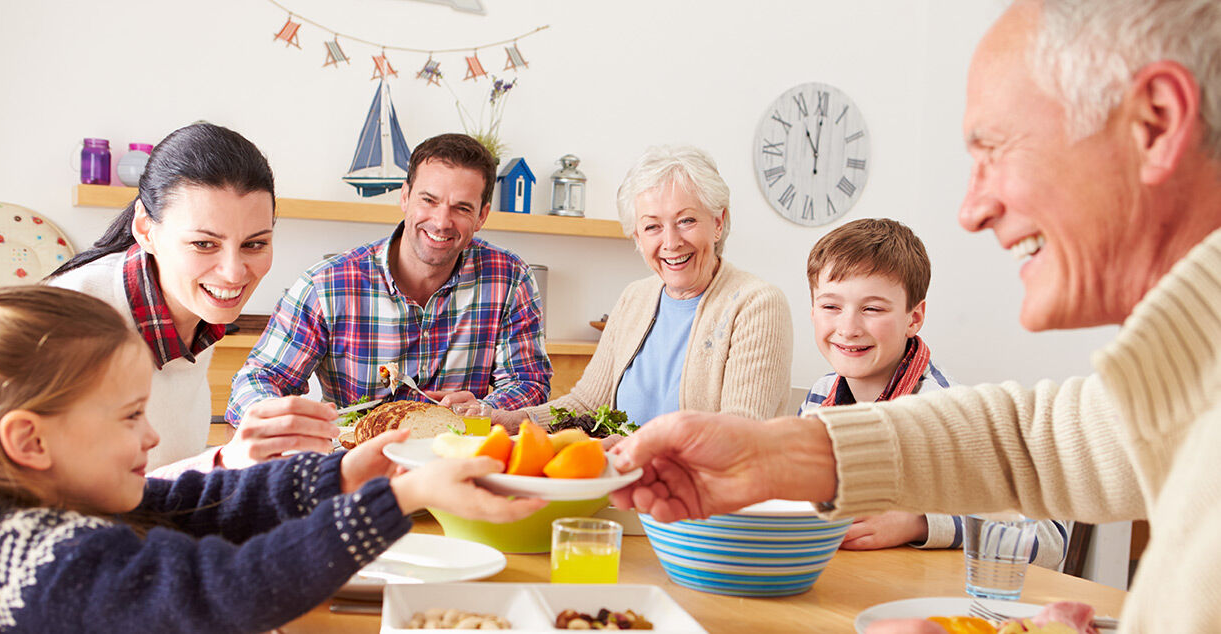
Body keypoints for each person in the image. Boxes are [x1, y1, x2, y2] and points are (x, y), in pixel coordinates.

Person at [609, 0, 1221, 630]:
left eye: (996, 150)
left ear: (1156, 122)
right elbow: (1032, 444)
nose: (971, 209)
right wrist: (773, 455)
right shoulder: (1192, 375)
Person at [0, 285, 544, 633]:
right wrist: (399, 498)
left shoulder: (49, 508)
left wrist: (341, 474)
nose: (150, 435)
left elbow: (194, 505)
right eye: (129, 416)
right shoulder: (48, 559)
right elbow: (226, 588)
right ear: (30, 442)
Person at [47, 122, 338, 475]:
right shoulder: (67, 324)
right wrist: (225, 461)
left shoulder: (194, 313)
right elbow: (74, 501)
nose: (233, 273)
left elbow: (166, 476)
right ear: (145, 228)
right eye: (204, 244)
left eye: (254, 244)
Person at [227, 133, 551, 443]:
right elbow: (257, 382)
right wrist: (285, 421)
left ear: (481, 216)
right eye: (429, 199)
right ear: (405, 197)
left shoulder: (510, 279)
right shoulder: (326, 286)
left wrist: (483, 412)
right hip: (354, 469)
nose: (441, 221)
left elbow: (529, 382)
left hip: (463, 466)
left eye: (461, 208)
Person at [802, 218, 1065, 564]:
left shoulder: (949, 409)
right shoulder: (820, 397)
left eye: (872, 309)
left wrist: (919, 523)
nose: (848, 328)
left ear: (914, 318)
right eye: (831, 306)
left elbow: (1050, 537)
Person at [491, 146, 792, 432]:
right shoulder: (635, 297)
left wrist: (634, 448)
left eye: (686, 220)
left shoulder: (757, 304)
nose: (671, 242)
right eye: (652, 227)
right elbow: (586, 405)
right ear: (637, 236)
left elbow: (739, 431)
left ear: (717, 222)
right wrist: (507, 420)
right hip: (623, 477)